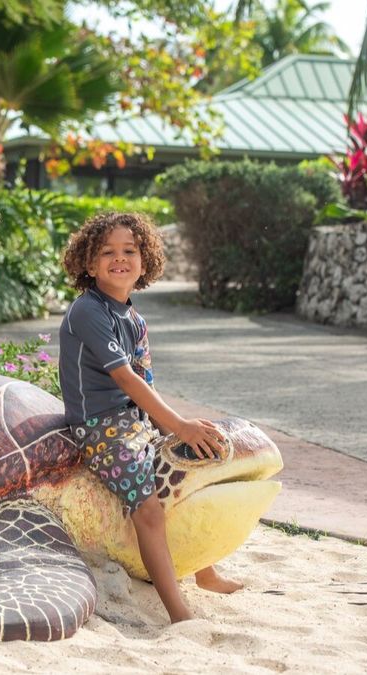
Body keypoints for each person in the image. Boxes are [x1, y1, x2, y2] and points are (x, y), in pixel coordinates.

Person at [58, 212, 243, 623]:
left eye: (130, 251)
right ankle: (177, 611)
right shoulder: (88, 311)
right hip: (99, 427)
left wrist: (178, 437)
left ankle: (205, 572)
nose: (119, 259)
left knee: (190, 470)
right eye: (107, 252)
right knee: (150, 508)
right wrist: (179, 425)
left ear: (145, 262)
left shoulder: (135, 320)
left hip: (135, 423)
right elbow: (124, 377)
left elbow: (147, 383)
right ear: (89, 264)